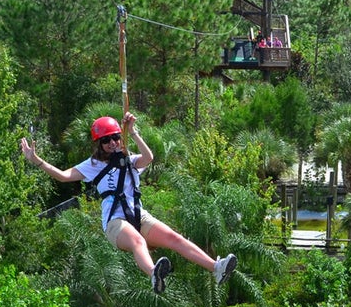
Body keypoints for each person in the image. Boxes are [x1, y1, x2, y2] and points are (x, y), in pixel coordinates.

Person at [20, 112, 236, 294]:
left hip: (137, 214)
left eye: (115, 138)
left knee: (174, 238)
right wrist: (36, 160)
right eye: (106, 140)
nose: (112, 143)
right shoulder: (92, 165)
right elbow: (63, 176)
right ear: (99, 144)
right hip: (114, 221)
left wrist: (132, 132)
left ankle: (216, 268)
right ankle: (154, 274)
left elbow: (148, 157)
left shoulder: (130, 159)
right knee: (137, 242)